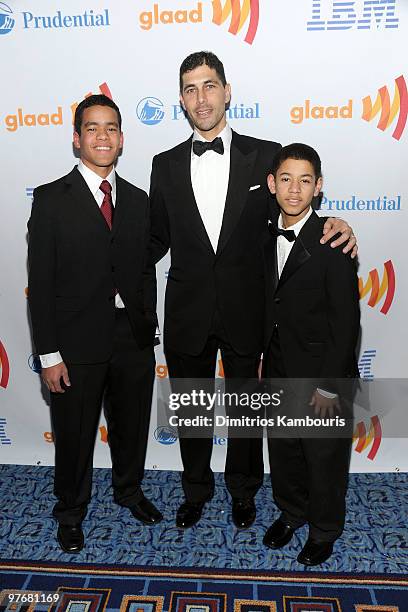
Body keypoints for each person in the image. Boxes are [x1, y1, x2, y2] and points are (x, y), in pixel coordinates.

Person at [149, 51, 357, 530]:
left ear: (227, 91)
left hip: (249, 310)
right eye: (190, 89)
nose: (201, 98)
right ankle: (195, 489)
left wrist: (336, 224)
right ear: (181, 100)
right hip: (187, 309)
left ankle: (243, 492)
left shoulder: (266, 155)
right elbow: (155, 240)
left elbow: (294, 211)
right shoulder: (162, 165)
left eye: (209, 86)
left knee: (246, 415)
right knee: (193, 411)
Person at [28, 94, 162, 554]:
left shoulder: (140, 201)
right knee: (74, 433)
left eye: (111, 129)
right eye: (92, 128)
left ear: (122, 139)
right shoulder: (49, 200)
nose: (102, 137)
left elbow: (146, 270)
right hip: (74, 342)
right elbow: (40, 285)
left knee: (130, 425)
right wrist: (49, 354)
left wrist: (149, 327)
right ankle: (70, 511)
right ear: (76, 138)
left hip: (132, 338)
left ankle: (129, 491)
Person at [262, 143, 360, 566]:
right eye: (286, 179)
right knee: (284, 450)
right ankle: (292, 511)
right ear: (272, 183)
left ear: (318, 187)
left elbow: (346, 326)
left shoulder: (334, 242)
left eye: (305, 180)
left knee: (323, 457)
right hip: (279, 367)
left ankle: (324, 529)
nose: (295, 189)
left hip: (322, 371)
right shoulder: (262, 234)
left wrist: (328, 385)